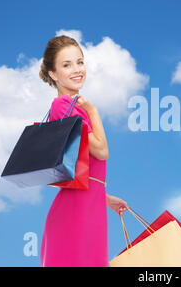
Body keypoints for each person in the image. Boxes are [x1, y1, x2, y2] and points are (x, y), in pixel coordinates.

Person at [39, 35, 127, 267]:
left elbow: (81, 169)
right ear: (53, 74)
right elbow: (101, 151)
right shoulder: (63, 106)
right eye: (66, 65)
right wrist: (94, 110)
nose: (77, 69)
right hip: (75, 215)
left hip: (89, 207)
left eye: (80, 62)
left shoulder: (75, 108)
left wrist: (104, 198)